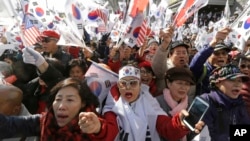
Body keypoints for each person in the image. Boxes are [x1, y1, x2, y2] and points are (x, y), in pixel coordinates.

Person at [99, 64, 204, 141]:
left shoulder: (150, 104)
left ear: (140, 85)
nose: (128, 87)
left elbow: (166, 128)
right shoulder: (112, 107)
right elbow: (109, 134)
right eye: (123, 83)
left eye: (133, 83)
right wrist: (98, 129)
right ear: (118, 85)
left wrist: (180, 123)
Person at [0, 77, 109, 140]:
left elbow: (106, 134)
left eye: (70, 100)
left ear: (82, 103)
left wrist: (98, 130)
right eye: (58, 99)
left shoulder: (94, 127)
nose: (61, 106)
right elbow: (8, 125)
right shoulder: (45, 121)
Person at [200, 64, 250, 141]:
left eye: (240, 81)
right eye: (232, 80)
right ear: (217, 83)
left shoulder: (239, 103)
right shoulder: (205, 101)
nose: (237, 84)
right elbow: (203, 135)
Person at [156, 67, 195, 141]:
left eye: (187, 84)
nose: (183, 87)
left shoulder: (191, 103)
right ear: (168, 83)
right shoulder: (157, 103)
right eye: (179, 83)